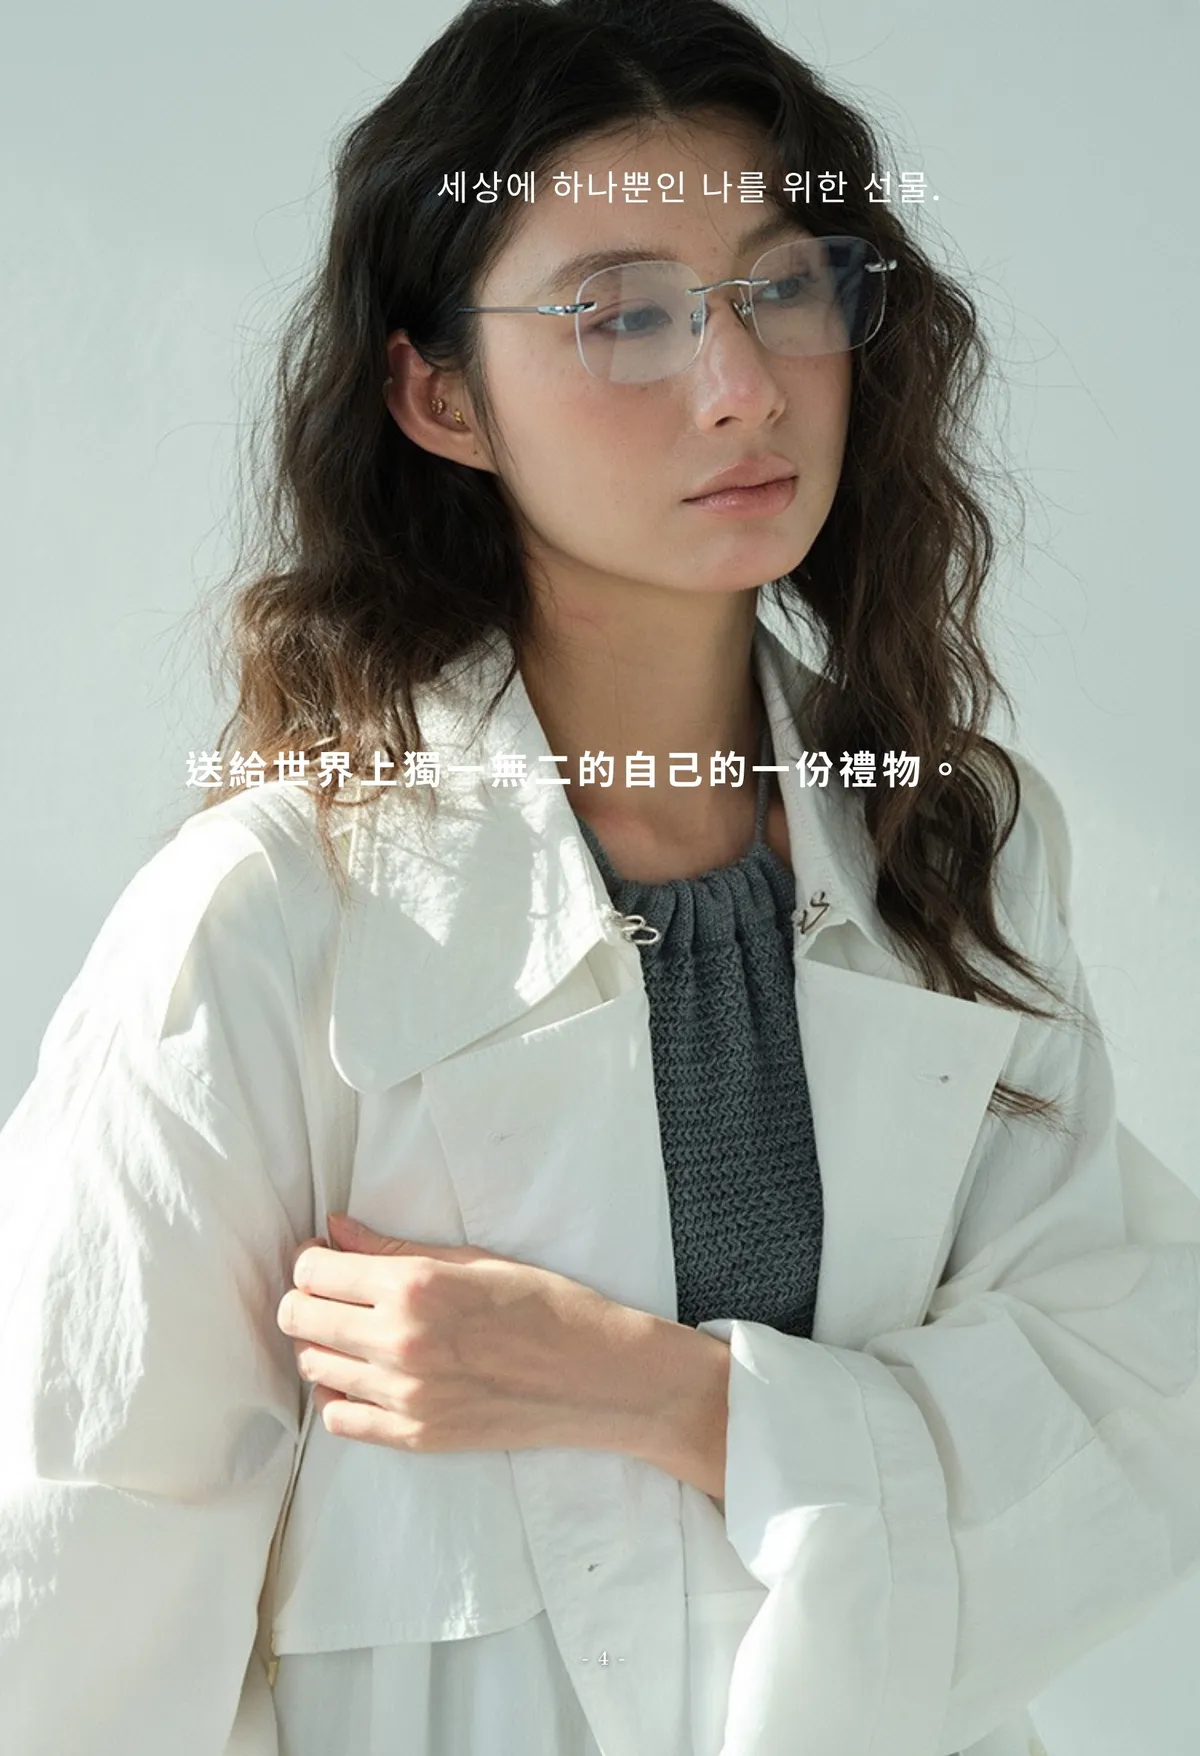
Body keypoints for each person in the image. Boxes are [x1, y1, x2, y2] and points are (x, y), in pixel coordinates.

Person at [2, 2, 1198, 1754]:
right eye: (624, 314)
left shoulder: (961, 848)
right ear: (440, 396)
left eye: (784, 285)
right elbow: (73, 1597)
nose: (742, 384)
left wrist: (670, 1398)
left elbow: (1127, 1409)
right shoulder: (269, 923)